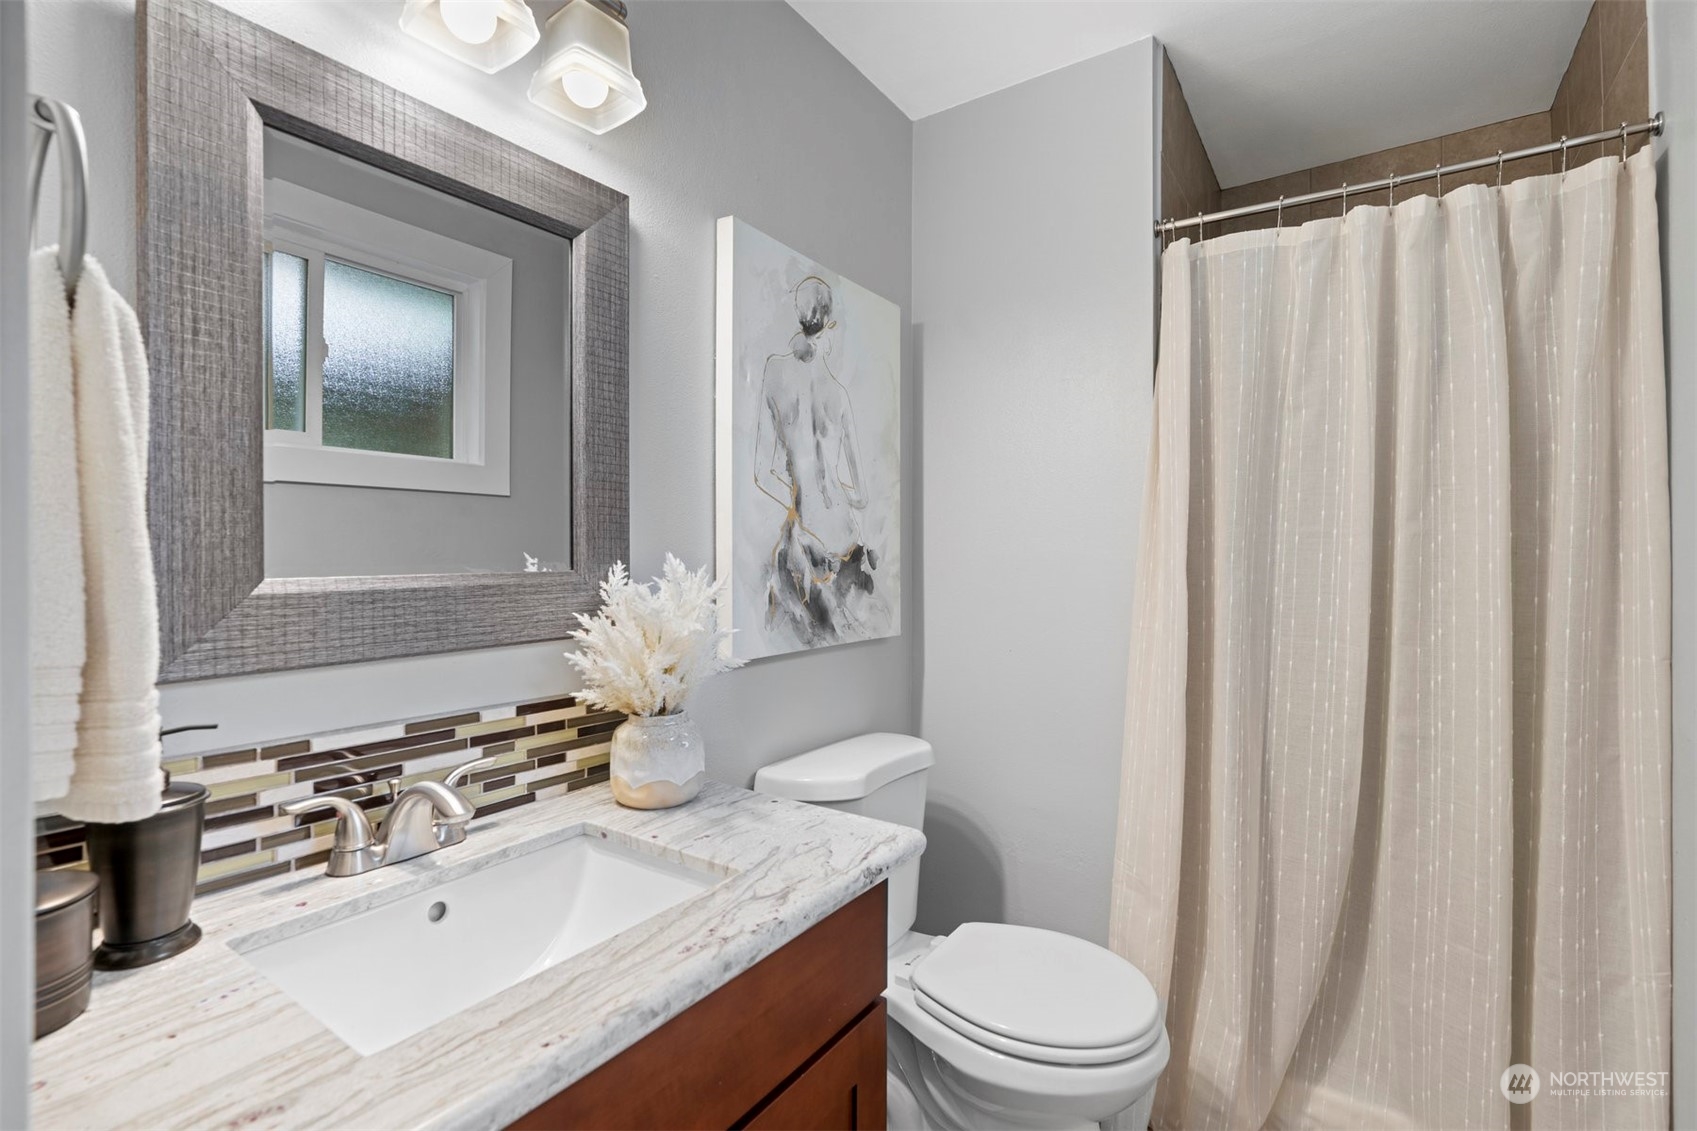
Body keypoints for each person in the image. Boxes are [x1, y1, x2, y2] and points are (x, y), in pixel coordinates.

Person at [750, 275, 879, 645]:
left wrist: (796, 501)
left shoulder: (774, 372)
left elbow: (762, 472)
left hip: (808, 532)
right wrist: (838, 493)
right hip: (844, 534)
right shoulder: (838, 395)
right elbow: (862, 496)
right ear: (830, 326)